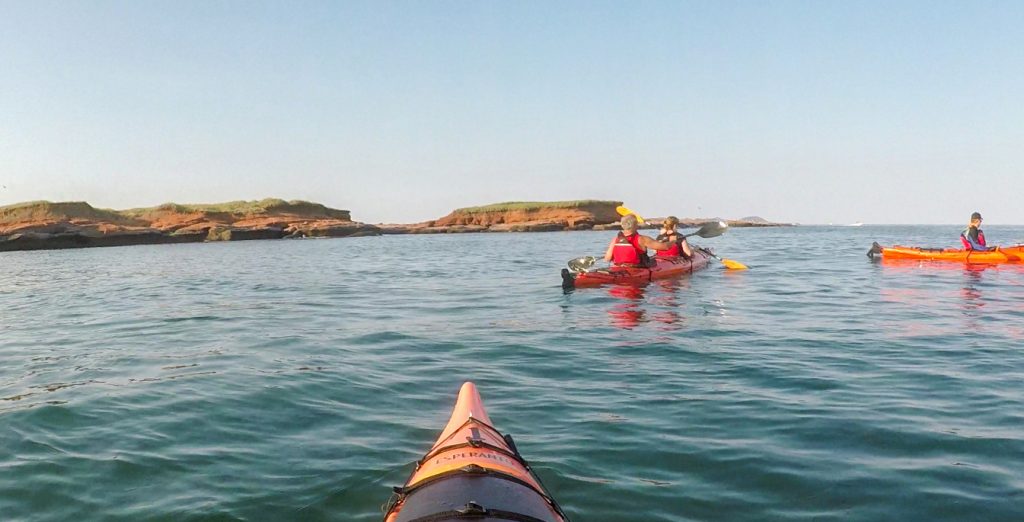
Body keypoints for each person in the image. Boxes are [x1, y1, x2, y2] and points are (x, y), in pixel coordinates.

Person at [603, 214, 671, 266]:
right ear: (635, 225)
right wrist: (673, 240)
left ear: (622, 225)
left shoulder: (615, 240)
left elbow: (607, 259)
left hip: (619, 267)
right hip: (638, 268)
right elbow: (665, 247)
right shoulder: (642, 239)